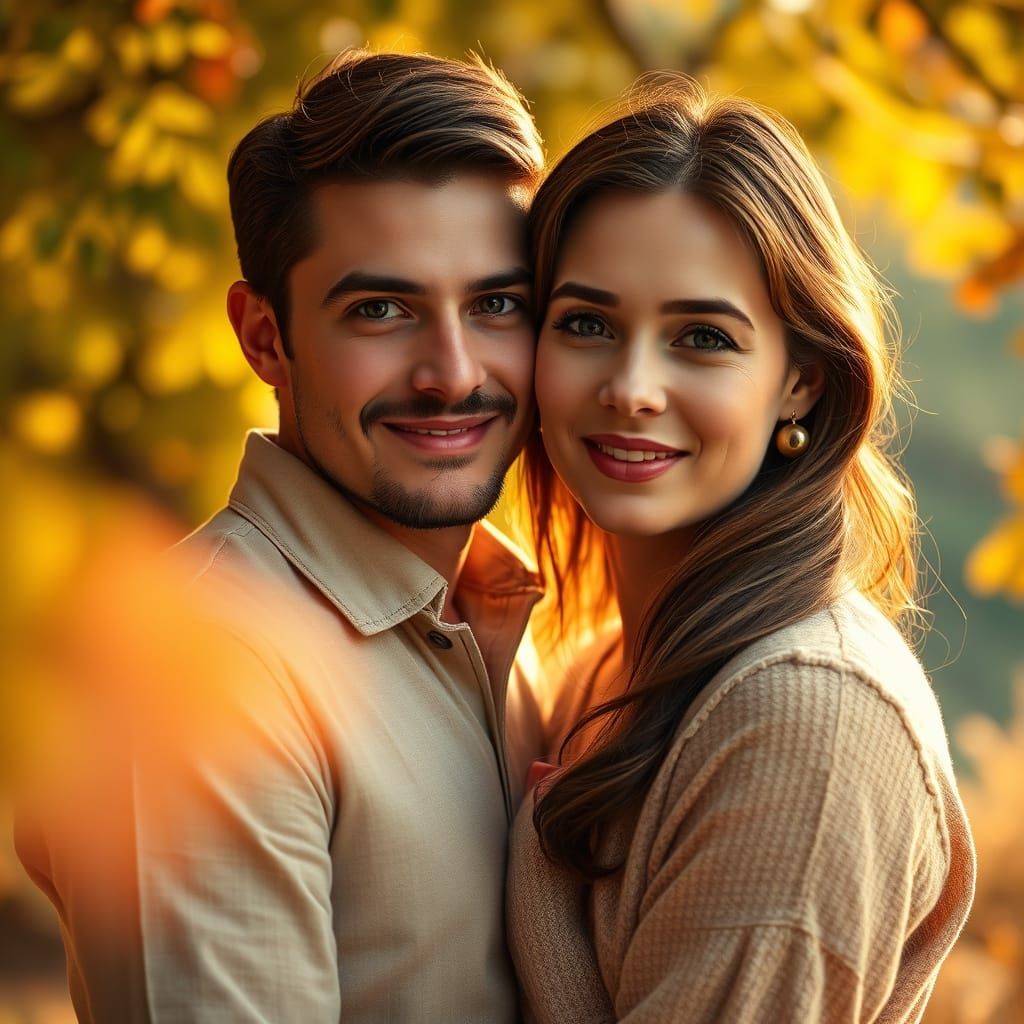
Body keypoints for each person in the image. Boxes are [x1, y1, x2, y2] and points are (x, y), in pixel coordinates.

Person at [17, 49, 547, 1022]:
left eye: (497, 304)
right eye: (380, 309)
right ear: (264, 337)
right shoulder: (202, 664)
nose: (453, 372)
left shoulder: (505, 624)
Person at [507, 78, 976, 1022]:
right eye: (587, 324)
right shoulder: (604, 667)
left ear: (801, 381)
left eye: (702, 337)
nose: (632, 388)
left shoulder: (808, 718)